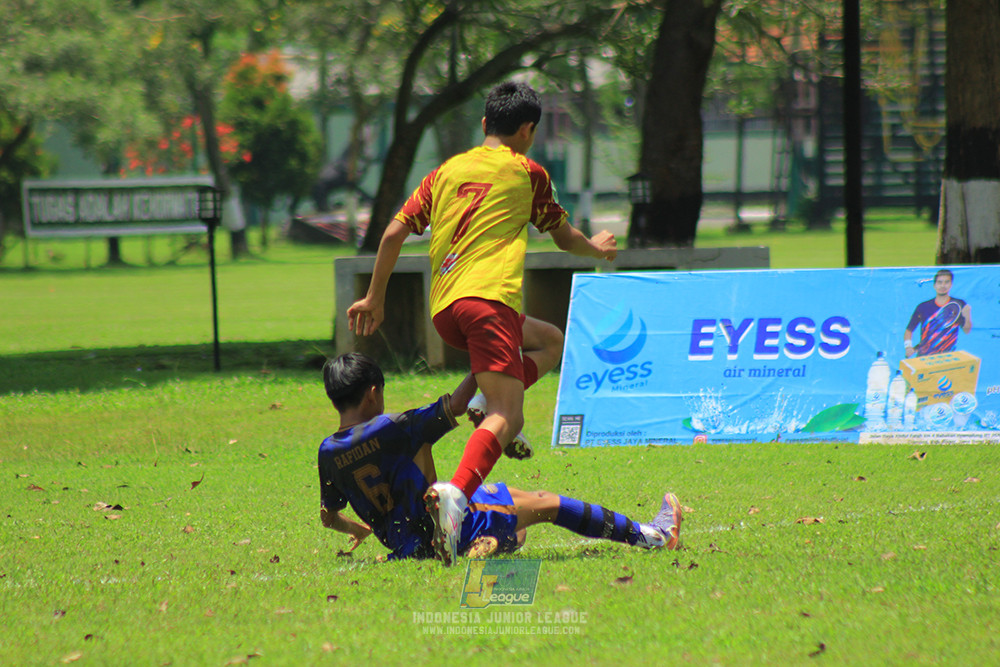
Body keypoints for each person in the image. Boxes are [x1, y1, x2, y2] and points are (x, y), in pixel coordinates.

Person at [347, 81, 618, 565]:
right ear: (528, 129)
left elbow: (391, 232)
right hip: (490, 302)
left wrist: (374, 297)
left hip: (447, 308)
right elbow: (564, 238)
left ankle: (479, 397)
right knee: (507, 415)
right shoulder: (528, 172)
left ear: (484, 124)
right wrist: (596, 247)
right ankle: (457, 495)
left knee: (551, 342)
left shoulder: (445, 171)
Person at [317, 353, 681, 564]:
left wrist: (359, 529)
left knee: (509, 510)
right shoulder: (393, 426)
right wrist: (483, 358)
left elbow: (328, 515)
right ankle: (652, 536)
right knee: (547, 504)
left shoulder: (327, 452)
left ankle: (490, 541)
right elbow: (457, 405)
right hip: (440, 530)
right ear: (373, 392)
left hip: (402, 545)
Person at [904, 269, 972, 357]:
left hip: (947, 358)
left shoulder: (959, 304)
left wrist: (967, 316)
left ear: (951, 284)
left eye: (946, 282)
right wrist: (908, 347)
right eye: (940, 282)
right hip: (925, 357)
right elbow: (909, 330)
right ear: (934, 285)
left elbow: (967, 330)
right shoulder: (923, 307)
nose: (943, 286)